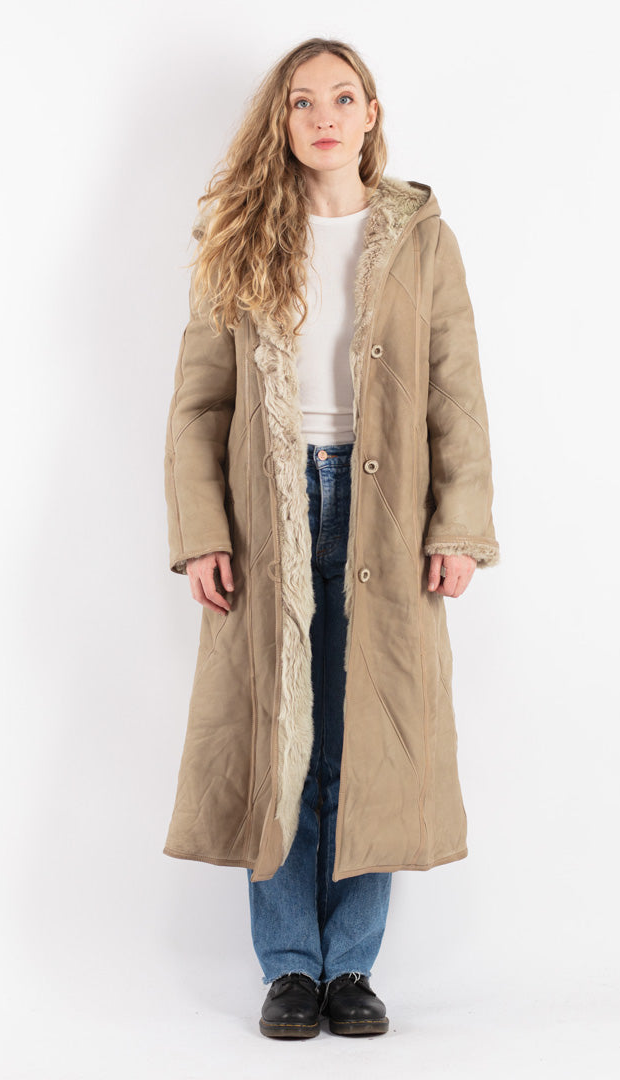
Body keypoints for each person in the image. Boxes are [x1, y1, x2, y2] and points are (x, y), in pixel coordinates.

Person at [162, 37, 500, 1039]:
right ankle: (288, 969)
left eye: (342, 98)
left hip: (384, 514)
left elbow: (456, 392)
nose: (323, 117)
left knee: (370, 738)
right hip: (267, 508)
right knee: (280, 736)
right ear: (282, 118)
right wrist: (202, 532)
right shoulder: (240, 232)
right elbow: (197, 403)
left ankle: (350, 965)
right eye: (303, 101)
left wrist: (459, 526)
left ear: (370, 113)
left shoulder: (422, 238)